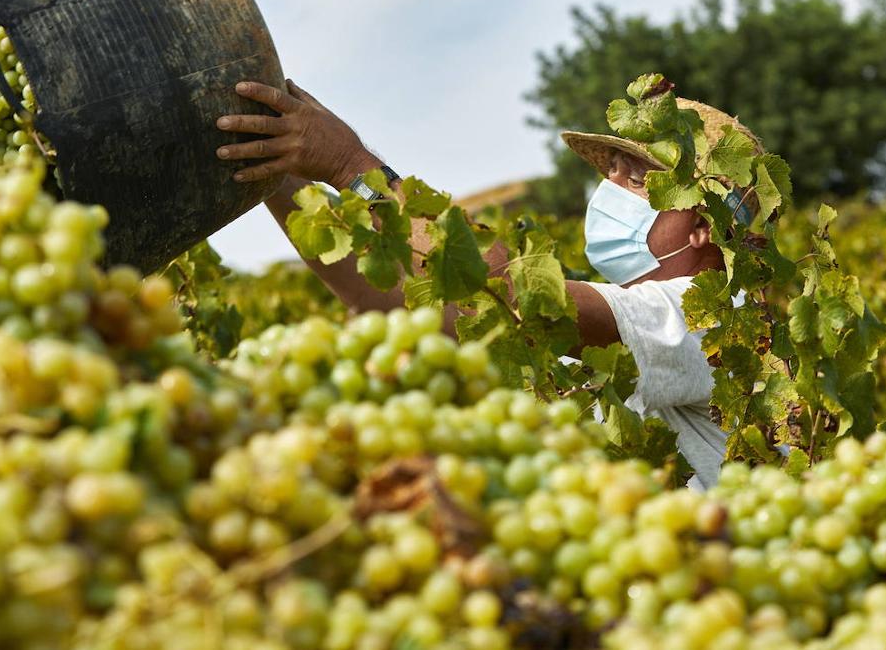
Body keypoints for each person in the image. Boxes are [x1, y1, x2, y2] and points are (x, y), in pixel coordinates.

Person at [214, 79, 761, 488]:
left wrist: (348, 164)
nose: (611, 186)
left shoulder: (710, 317)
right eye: (613, 169)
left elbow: (507, 292)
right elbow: (381, 299)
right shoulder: (615, 321)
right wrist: (274, 176)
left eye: (638, 178)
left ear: (703, 229)